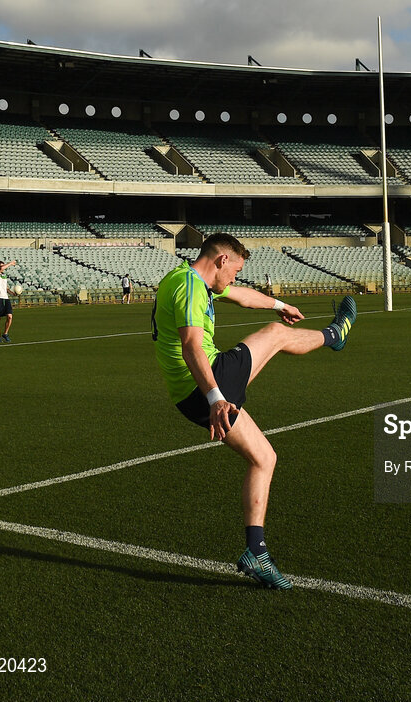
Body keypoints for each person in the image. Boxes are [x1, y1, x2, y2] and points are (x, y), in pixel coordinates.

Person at [152, 233, 357, 591]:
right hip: (207, 383)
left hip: (190, 396)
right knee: (275, 335)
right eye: (235, 270)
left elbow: (242, 296)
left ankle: (256, 552)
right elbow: (191, 346)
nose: (235, 277)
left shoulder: (188, 279)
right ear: (221, 260)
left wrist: (279, 304)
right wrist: (216, 398)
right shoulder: (189, 286)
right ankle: (335, 334)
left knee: (264, 458)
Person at [0, 259, 17, 343]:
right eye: (1, 265)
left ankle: (5, 333)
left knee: (10, 316)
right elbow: (1, 268)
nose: (3, 267)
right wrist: (10, 263)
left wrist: (12, 293)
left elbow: (6, 288)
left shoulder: (4, 276)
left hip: (5, 298)